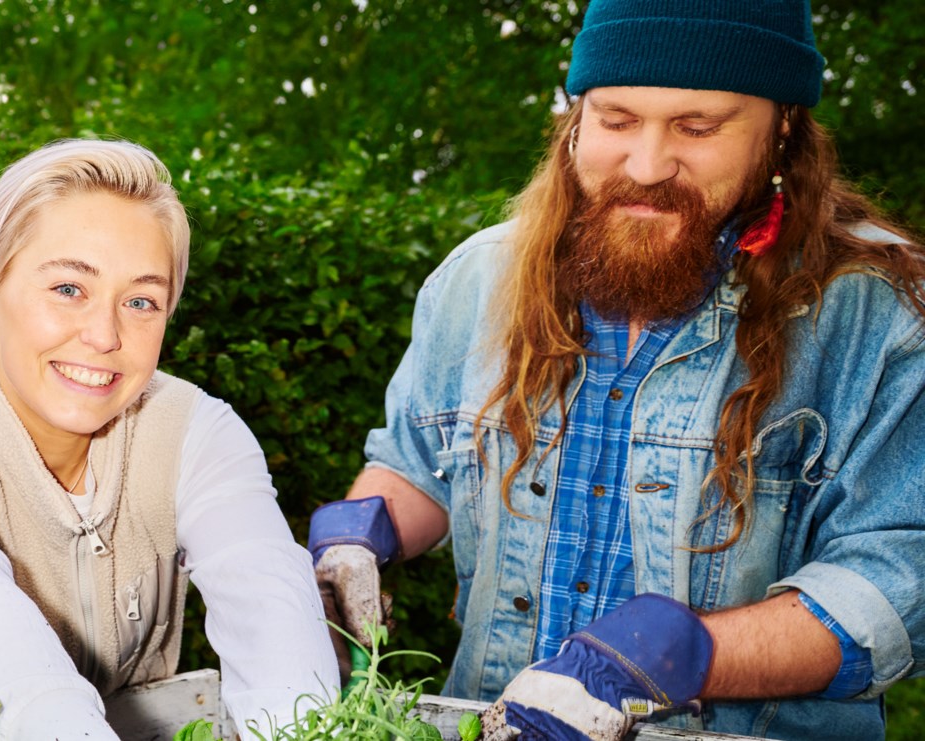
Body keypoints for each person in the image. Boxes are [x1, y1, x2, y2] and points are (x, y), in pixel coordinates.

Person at [308, 1, 925, 739]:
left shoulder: (880, 315)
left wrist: (690, 652)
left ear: (782, 128)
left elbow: (898, 580)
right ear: (576, 116)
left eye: (698, 127)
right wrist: (359, 532)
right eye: (616, 119)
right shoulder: (479, 279)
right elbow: (420, 465)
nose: (647, 165)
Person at [0, 139, 337, 737]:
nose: (104, 334)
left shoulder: (195, 433)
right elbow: (11, 670)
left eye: (141, 301)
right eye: (69, 288)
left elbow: (270, 617)